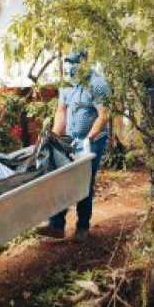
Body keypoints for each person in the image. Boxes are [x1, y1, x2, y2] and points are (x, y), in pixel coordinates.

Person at [36, 50, 110, 242]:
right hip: (70, 138)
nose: (71, 67)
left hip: (94, 139)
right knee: (60, 176)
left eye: (75, 63)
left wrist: (89, 139)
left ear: (85, 63)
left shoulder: (98, 84)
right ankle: (56, 224)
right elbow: (61, 111)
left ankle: (82, 227)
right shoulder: (67, 83)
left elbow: (103, 115)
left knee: (83, 180)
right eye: (68, 63)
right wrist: (54, 137)